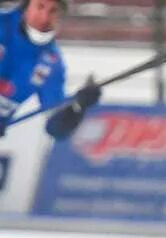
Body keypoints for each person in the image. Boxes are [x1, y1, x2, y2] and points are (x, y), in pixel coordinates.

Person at [0, 0, 101, 138]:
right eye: (40, 7)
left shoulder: (52, 64)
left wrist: (78, 108)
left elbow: (56, 129)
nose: (44, 17)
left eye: (54, 11)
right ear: (26, 8)